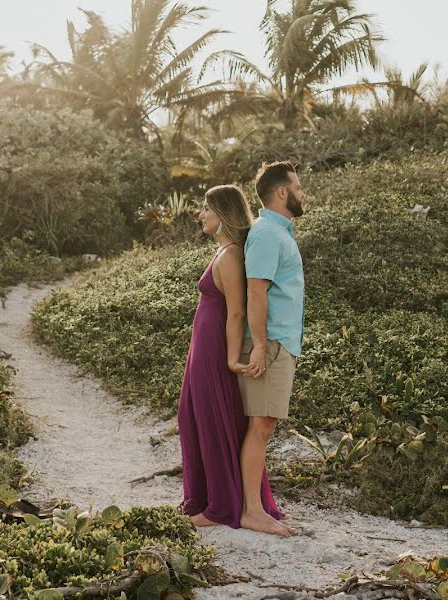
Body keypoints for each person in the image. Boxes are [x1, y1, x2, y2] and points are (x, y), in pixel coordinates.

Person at [178, 184, 285, 531]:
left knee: (211, 418)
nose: (201, 215)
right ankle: (210, 497)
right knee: (195, 415)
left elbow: (236, 313)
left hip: (213, 349)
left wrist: (227, 359)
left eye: (207, 209)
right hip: (204, 344)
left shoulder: (232, 254)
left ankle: (221, 506)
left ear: (222, 214)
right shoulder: (225, 252)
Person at [237, 162, 305, 537]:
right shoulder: (266, 234)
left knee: (264, 424)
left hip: (281, 341)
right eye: (297, 185)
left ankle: (257, 506)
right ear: (282, 192)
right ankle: (251, 511)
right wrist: (261, 345)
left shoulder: (278, 232)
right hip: (272, 342)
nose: (302, 192)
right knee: (261, 425)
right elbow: (255, 290)